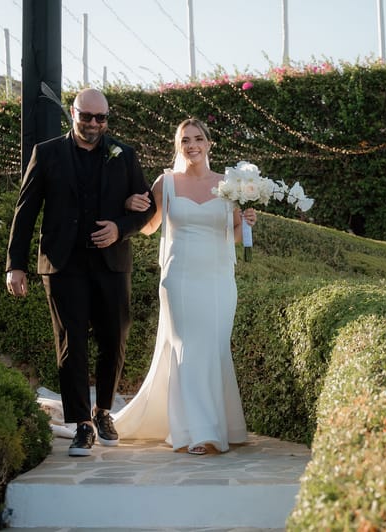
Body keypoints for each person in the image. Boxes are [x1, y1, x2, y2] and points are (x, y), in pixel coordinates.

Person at [5, 88, 155, 457]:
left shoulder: (125, 154)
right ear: (72, 114)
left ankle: (103, 411)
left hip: (111, 263)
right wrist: (16, 264)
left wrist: (121, 227)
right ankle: (81, 425)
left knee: (115, 338)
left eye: (100, 118)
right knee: (71, 342)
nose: (93, 124)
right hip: (62, 264)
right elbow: (25, 212)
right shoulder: (48, 152)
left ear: (107, 119)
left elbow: (147, 209)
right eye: (86, 116)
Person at [114, 118, 256, 455]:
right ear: (179, 146)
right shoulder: (167, 183)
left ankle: (219, 425)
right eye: (184, 140)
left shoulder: (229, 184)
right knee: (187, 348)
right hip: (179, 278)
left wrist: (247, 223)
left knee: (214, 349)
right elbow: (149, 228)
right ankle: (196, 431)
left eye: (197, 139)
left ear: (209, 144)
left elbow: (235, 235)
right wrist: (130, 206)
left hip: (219, 279)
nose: (192, 145)